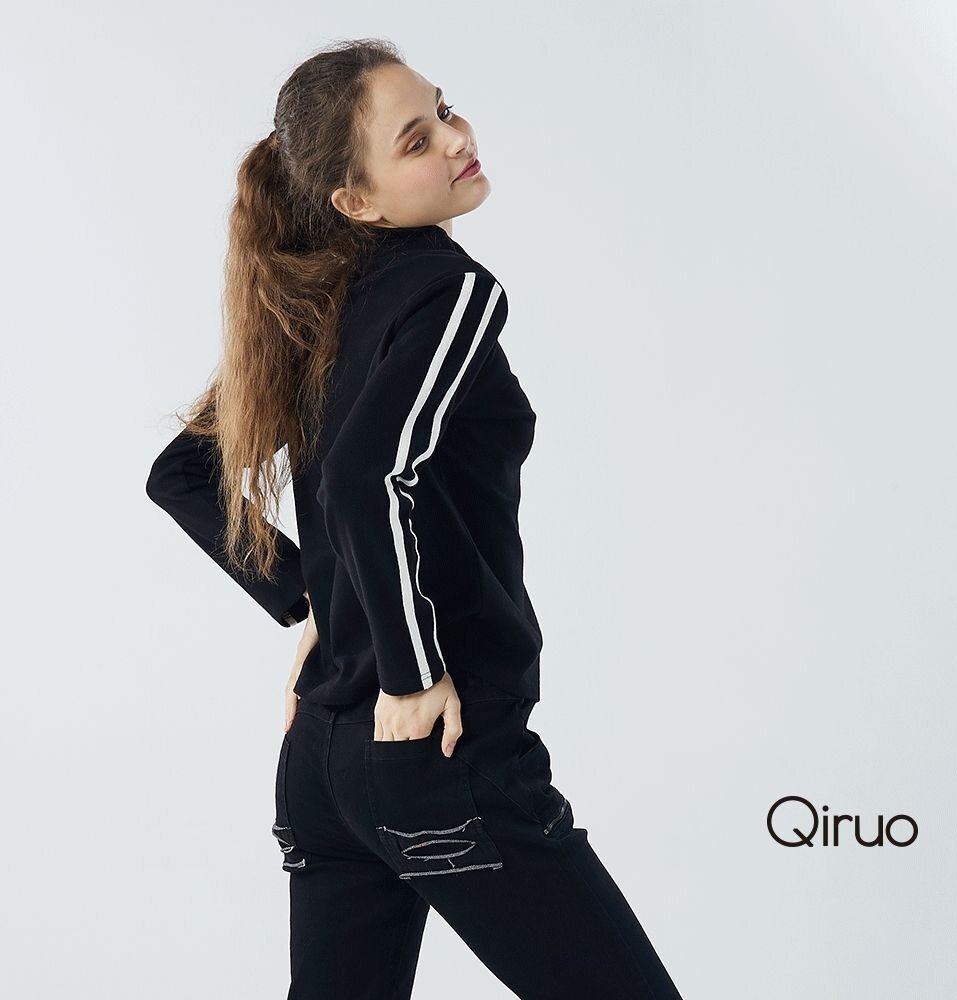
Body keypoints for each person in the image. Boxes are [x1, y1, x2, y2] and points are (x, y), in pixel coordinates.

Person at [145, 38, 686, 1000]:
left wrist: (318, 599)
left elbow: (182, 476)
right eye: (417, 139)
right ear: (356, 201)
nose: (456, 137)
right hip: (436, 751)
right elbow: (365, 479)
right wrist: (408, 670)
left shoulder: (319, 299)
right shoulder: (454, 290)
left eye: (443, 109)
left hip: (319, 762)